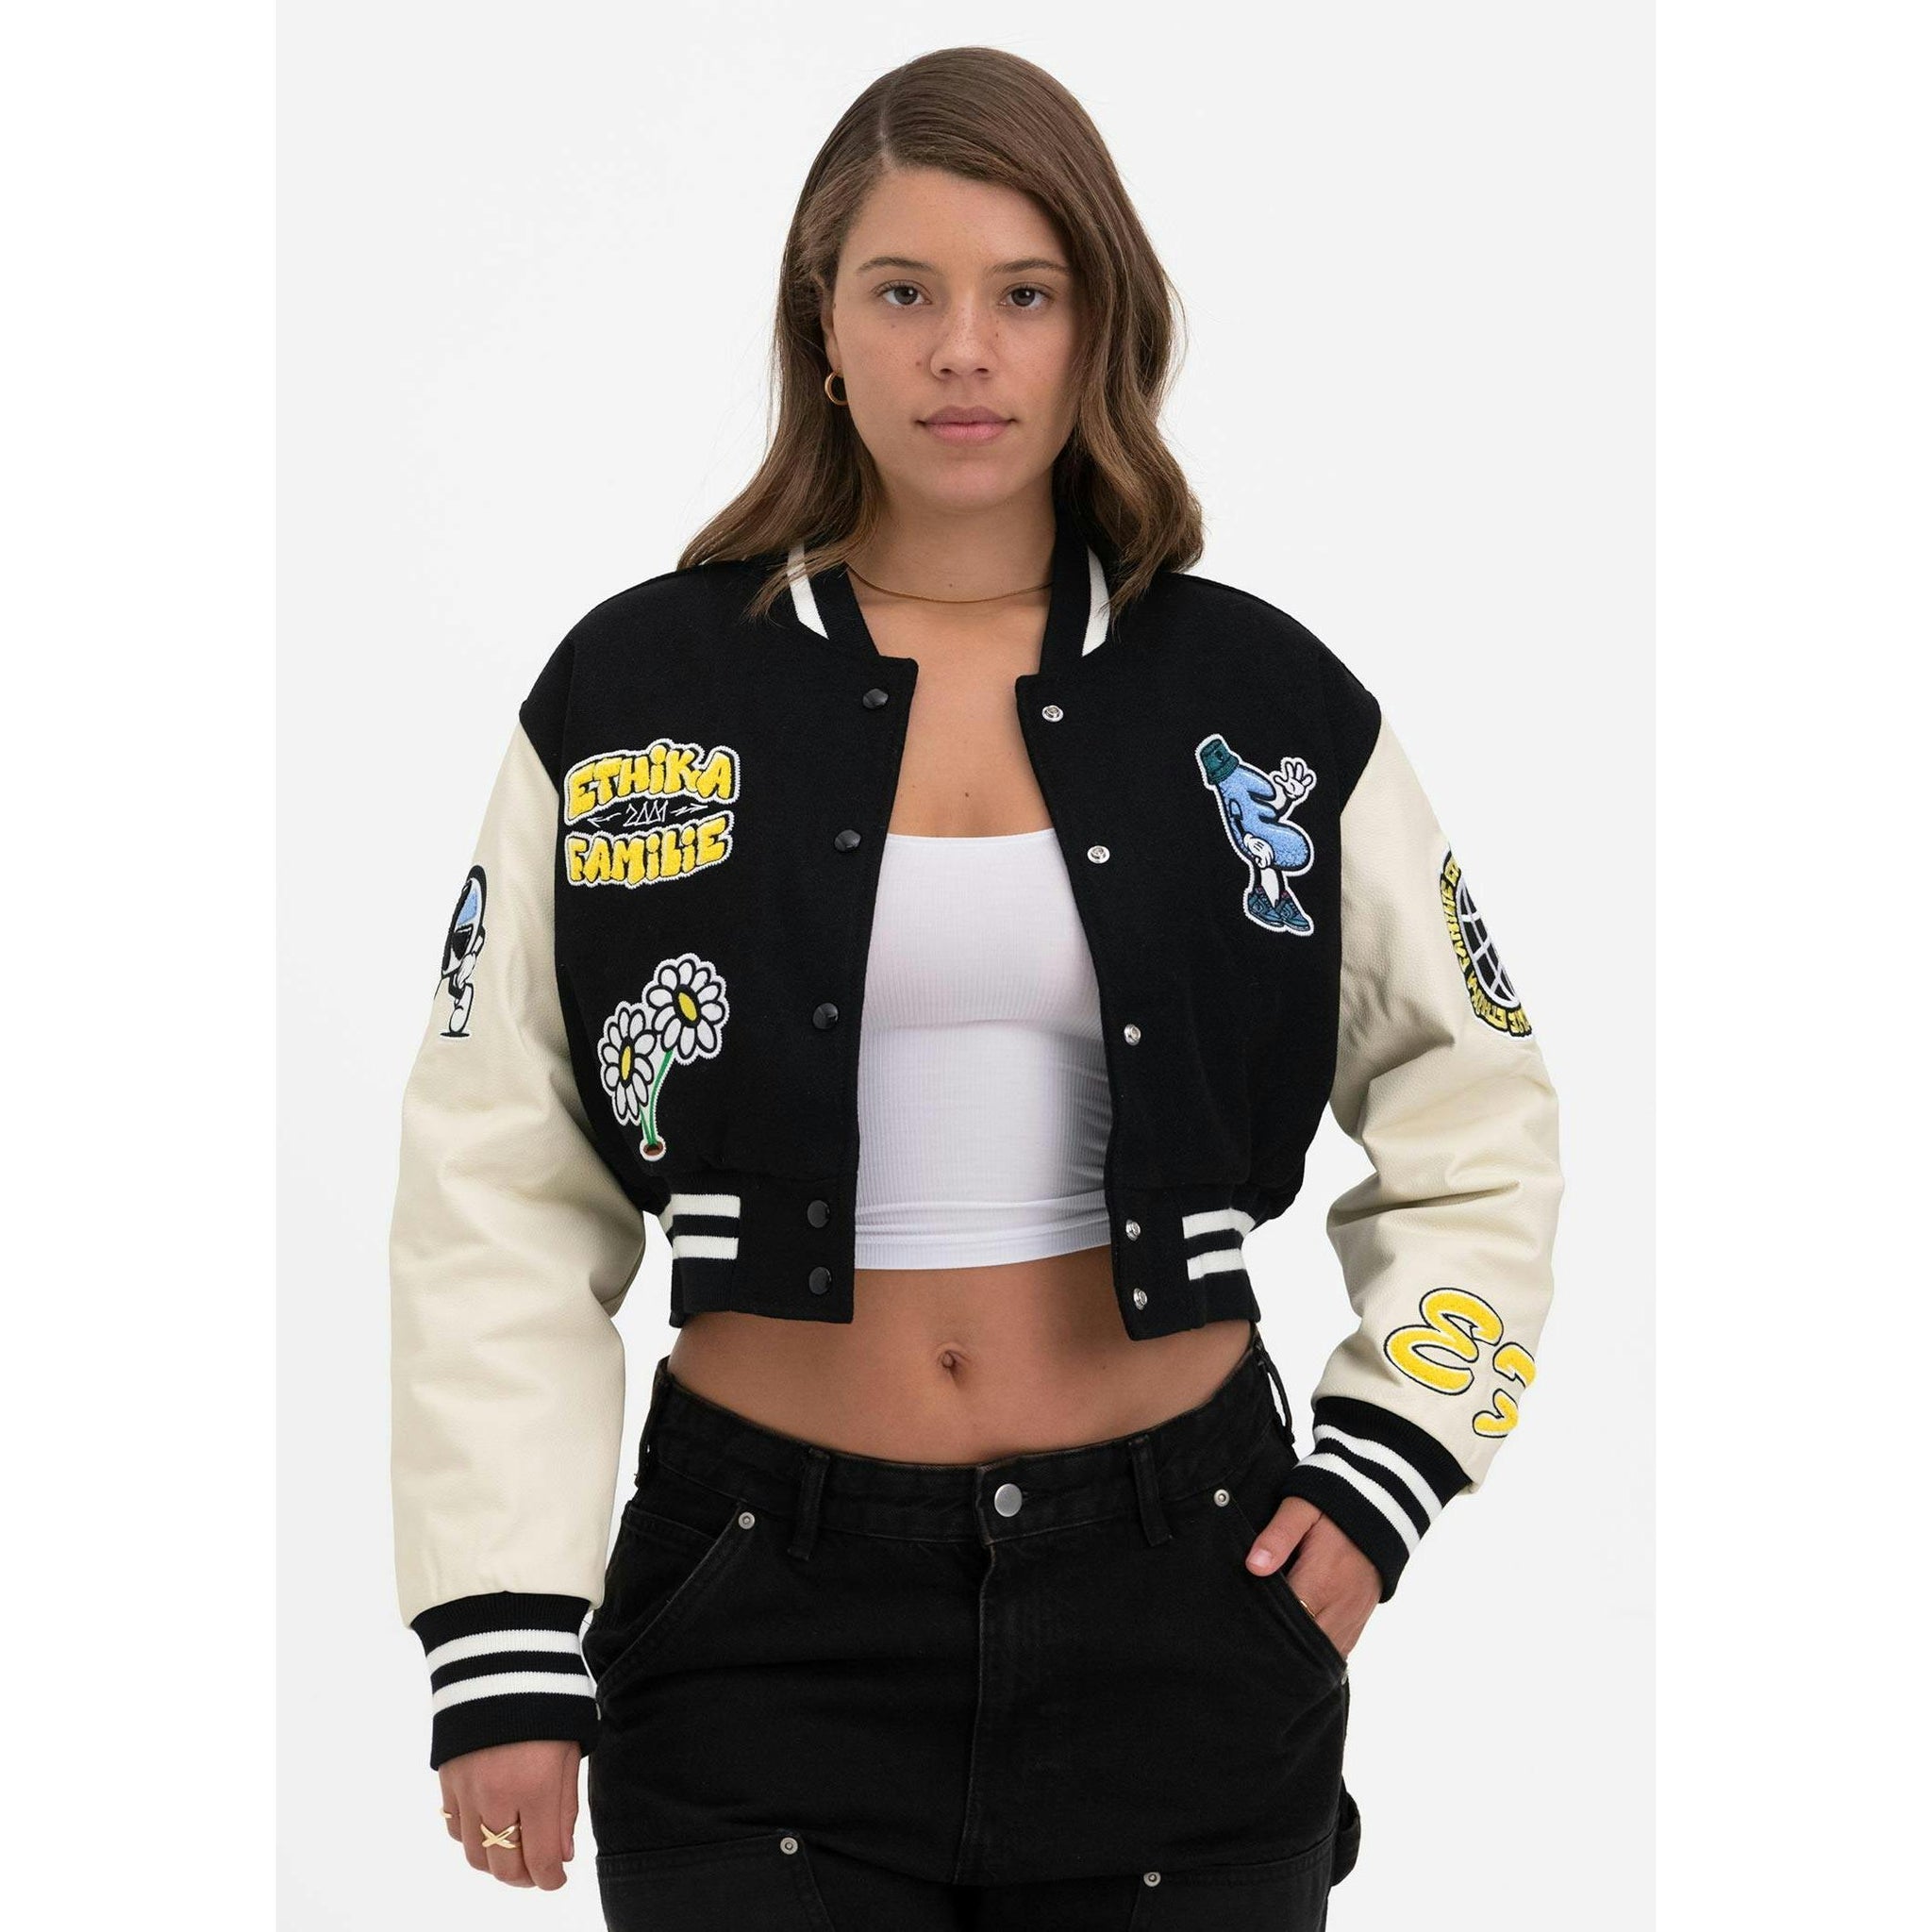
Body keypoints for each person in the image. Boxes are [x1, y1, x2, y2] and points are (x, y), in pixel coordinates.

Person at [389, 45, 1563, 1931]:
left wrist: (1381, 1478)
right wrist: (501, 1630)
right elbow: (493, 1173)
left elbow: (1476, 1106)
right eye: (903, 291)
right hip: (752, 1613)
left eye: (1025, 294)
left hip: (1190, 1600)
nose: (963, 351)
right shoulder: (634, 697)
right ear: (822, 325)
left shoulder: (1261, 705)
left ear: (1101, 326)